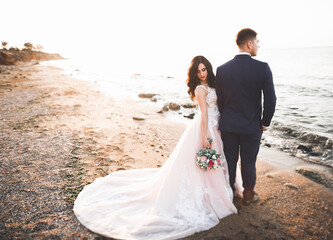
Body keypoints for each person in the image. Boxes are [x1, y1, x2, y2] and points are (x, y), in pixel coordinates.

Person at [73, 56, 243, 240]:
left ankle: (223, 189)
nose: (202, 74)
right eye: (198, 71)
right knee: (204, 164)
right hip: (206, 127)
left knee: (219, 160)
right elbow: (203, 114)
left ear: (208, 69)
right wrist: (205, 137)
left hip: (218, 126)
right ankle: (211, 195)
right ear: (195, 74)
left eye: (204, 70)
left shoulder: (213, 84)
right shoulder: (200, 89)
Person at [216, 28, 277, 205]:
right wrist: (265, 122)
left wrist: (226, 118)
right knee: (249, 162)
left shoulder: (222, 70)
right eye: (257, 42)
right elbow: (271, 100)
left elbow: (221, 102)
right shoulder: (262, 68)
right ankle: (248, 194)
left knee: (229, 161)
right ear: (249, 44)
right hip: (251, 127)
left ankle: (228, 193)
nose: (258, 45)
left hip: (228, 126)